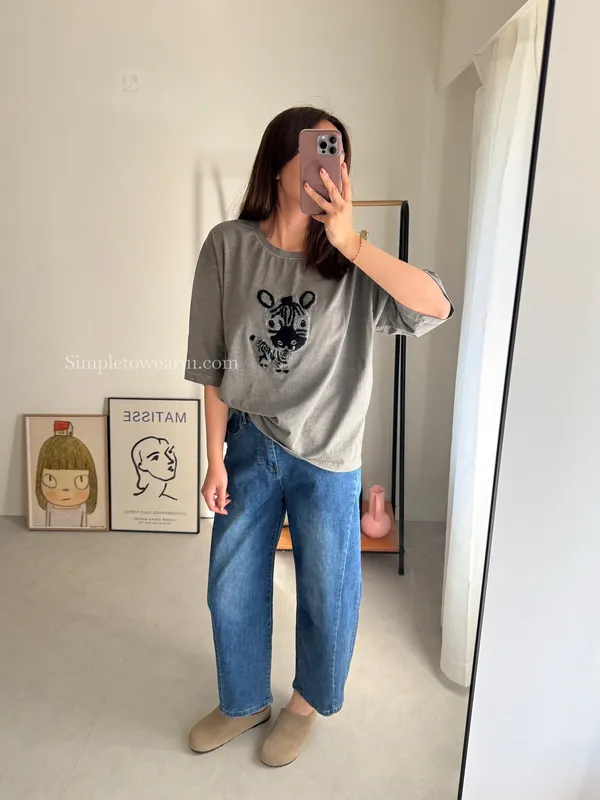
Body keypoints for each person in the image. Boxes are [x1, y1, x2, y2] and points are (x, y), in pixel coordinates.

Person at [184, 106, 453, 767]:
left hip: (329, 454)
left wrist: (352, 241)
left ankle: (305, 704)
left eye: (336, 156)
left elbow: (436, 307)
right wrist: (213, 459)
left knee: (328, 592)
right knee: (230, 585)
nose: (325, 169)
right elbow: (211, 360)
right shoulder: (228, 246)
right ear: (278, 166)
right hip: (248, 443)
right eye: (311, 154)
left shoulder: (352, 259)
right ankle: (244, 701)